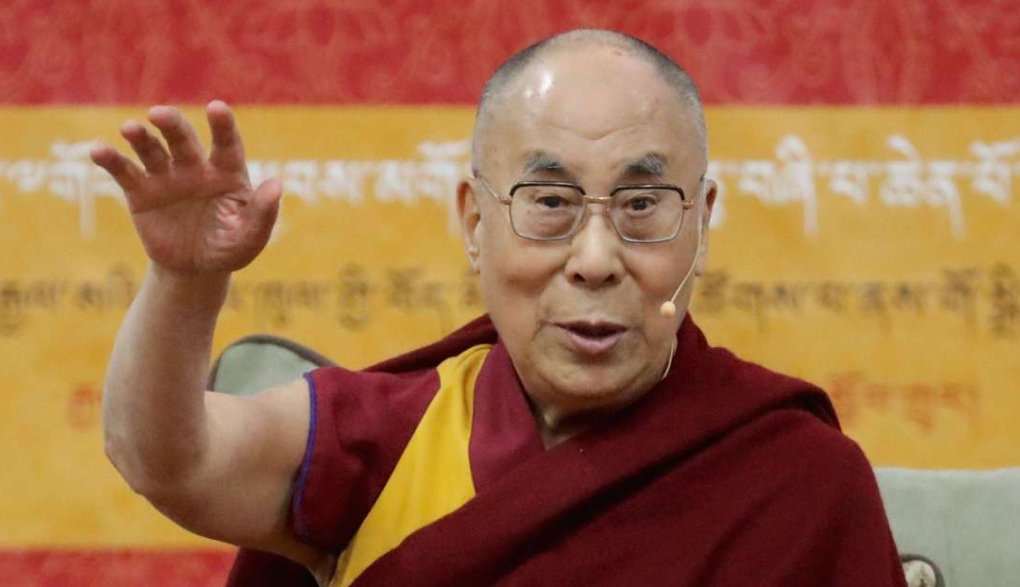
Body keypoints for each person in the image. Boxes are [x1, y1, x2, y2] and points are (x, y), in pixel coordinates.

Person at [92, 29, 907, 586]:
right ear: (475, 224)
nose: (595, 260)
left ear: (701, 220)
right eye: (548, 202)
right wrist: (184, 282)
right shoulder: (390, 438)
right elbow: (165, 459)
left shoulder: (799, 481)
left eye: (643, 205)